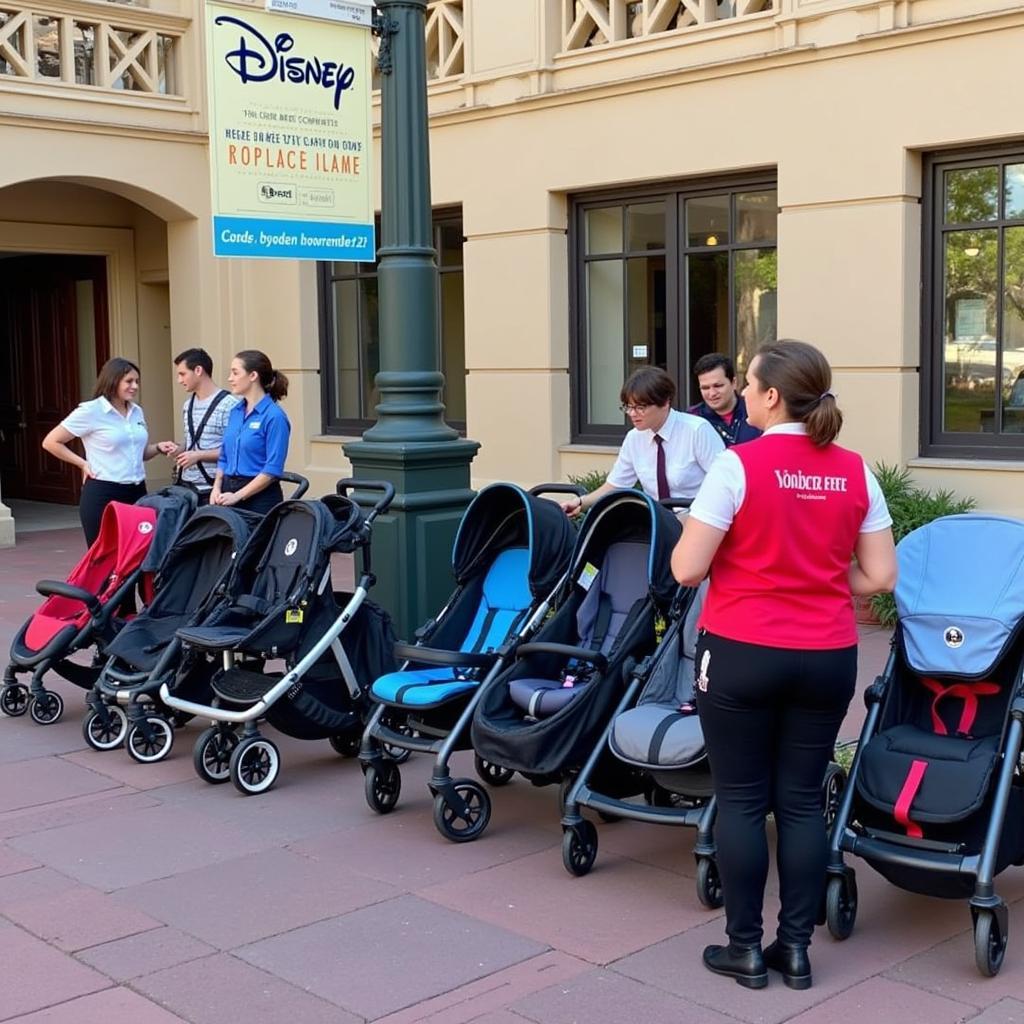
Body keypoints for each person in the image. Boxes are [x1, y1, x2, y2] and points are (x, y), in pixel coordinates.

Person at [670, 340, 897, 991]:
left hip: (742, 650)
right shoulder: (856, 471)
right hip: (826, 655)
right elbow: (880, 574)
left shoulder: (738, 466)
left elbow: (687, 568)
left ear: (772, 396)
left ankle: (744, 949)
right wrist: (821, 577)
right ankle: (794, 949)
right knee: (800, 800)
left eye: (747, 385)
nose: (740, 393)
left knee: (741, 800)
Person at [560, 366, 724, 518]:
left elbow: (724, 484)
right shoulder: (634, 438)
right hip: (657, 521)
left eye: (640, 407)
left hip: (698, 519)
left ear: (665, 402)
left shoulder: (697, 431)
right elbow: (616, 485)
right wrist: (580, 503)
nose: (632, 414)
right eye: (628, 407)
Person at [42, 357, 172, 546]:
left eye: (137, 381)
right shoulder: (91, 411)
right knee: (103, 556)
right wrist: (83, 463)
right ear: (113, 380)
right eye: (129, 381)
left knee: (137, 553)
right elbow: (51, 442)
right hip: (103, 493)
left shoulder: (137, 411)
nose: (134, 386)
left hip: (137, 492)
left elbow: (139, 453)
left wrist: (159, 447)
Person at [211, 350, 291, 516]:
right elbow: (224, 456)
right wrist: (216, 488)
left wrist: (238, 496)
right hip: (227, 493)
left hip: (259, 499)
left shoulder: (274, 416)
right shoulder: (235, 411)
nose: (229, 378)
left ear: (253, 375)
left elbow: (272, 469)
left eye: (235, 372)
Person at [156, 348, 237, 505]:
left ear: (198, 370)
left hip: (213, 490)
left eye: (182, 374)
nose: (179, 380)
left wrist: (198, 455)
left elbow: (234, 451)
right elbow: (192, 442)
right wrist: (178, 449)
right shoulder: (188, 404)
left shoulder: (230, 405)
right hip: (186, 488)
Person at [687, 353, 761, 447]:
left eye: (718, 386)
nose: (712, 393)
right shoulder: (692, 419)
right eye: (705, 388)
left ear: (734, 383)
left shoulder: (757, 410)